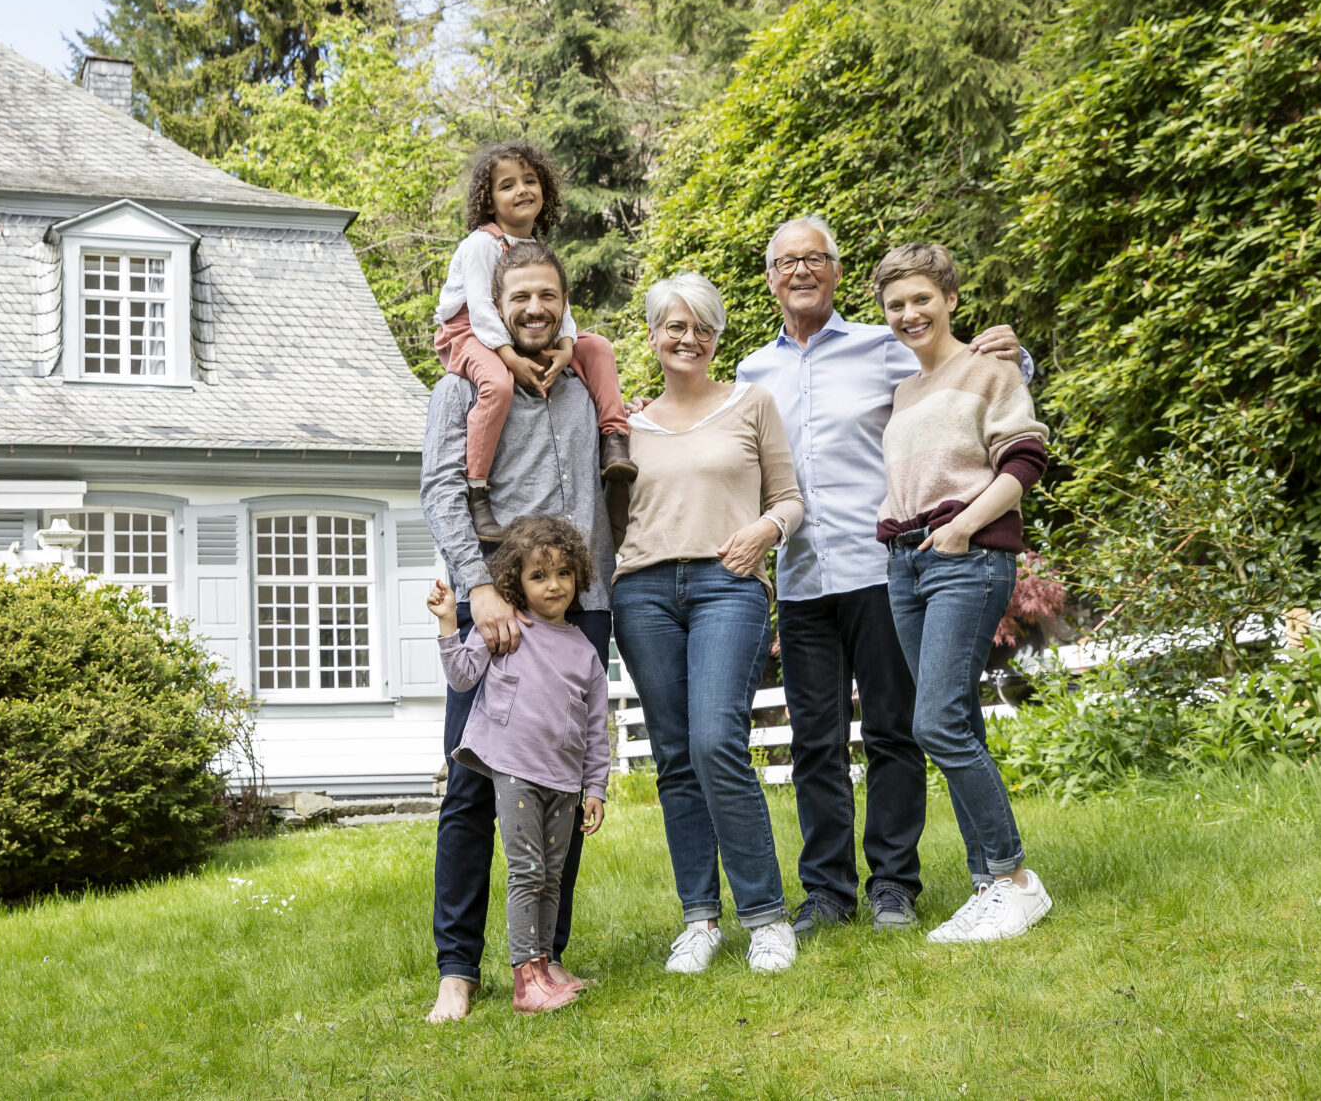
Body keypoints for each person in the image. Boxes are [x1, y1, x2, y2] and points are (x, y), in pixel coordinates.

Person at [735, 215, 1029, 940]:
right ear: (770, 278)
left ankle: (894, 884)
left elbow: (969, 378)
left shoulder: (885, 345)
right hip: (802, 577)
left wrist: (1019, 357)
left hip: (884, 570)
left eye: (815, 258)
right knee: (815, 743)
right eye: (785, 261)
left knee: (898, 732)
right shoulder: (750, 373)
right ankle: (828, 891)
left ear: (836, 272)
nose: (800, 271)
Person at [418, 239, 618, 1023]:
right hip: (495, 605)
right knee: (471, 787)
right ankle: (459, 967)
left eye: (549, 295)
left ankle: (545, 954)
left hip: (581, 604)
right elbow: (441, 491)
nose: (536, 308)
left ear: (564, 301)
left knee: (562, 783)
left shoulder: (584, 382)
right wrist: (478, 588)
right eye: (520, 296)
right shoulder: (461, 387)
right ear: (496, 305)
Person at [612, 272, 806, 976]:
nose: (687, 337)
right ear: (655, 335)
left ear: (717, 336)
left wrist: (764, 529)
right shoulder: (625, 424)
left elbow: (789, 498)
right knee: (673, 757)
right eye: (674, 325)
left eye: (701, 326)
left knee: (714, 740)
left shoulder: (752, 403)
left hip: (729, 583)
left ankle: (766, 917)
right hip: (643, 593)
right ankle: (699, 920)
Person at [872, 242, 1053, 943]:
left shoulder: (990, 368)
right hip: (907, 562)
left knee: (936, 721)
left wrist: (964, 528)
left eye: (922, 298)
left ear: (950, 297)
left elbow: (1025, 457)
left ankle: (1014, 878)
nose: (910, 313)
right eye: (896, 304)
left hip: (965, 556)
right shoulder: (905, 390)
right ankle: (988, 884)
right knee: (957, 723)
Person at [427, 515, 610, 1014]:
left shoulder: (585, 651)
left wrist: (595, 786)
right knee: (527, 871)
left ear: (579, 578)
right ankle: (526, 982)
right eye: (538, 575)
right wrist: (448, 623)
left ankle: (545, 965)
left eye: (564, 573)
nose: (554, 585)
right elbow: (463, 677)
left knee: (551, 876)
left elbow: (596, 727)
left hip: (564, 781)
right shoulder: (508, 629)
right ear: (516, 583)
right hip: (514, 771)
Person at [433, 141, 635, 542]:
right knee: (497, 385)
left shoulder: (536, 250)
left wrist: (566, 347)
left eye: (529, 180)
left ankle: (614, 442)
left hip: (513, 331)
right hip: (469, 331)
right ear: (488, 201)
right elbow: (481, 310)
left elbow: (560, 306)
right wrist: (510, 359)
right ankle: (478, 489)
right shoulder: (480, 244)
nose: (521, 189)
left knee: (597, 348)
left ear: (545, 188)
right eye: (507, 185)